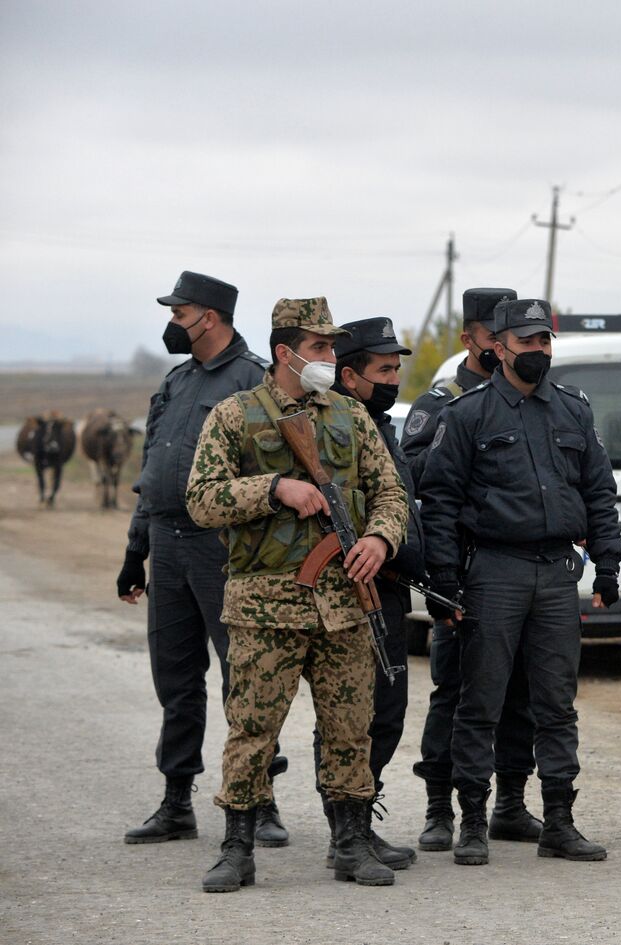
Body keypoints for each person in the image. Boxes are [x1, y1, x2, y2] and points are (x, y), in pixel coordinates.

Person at [186, 297, 408, 892]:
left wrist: (381, 541)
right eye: (320, 348)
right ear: (286, 352)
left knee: (350, 727)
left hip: (345, 602)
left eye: (333, 348)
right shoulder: (235, 416)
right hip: (265, 606)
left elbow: (391, 492)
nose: (331, 359)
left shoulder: (351, 417)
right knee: (253, 727)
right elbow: (202, 499)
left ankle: (351, 841)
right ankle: (237, 846)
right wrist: (274, 488)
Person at [418, 297, 621, 866]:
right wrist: (445, 584)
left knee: (556, 704)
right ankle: (473, 823)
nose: (538, 352)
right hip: (493, 574)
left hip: (557, 573)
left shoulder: (573, 412)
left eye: (544, 342)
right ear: (498, 349)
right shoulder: (467, 416)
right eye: (526, 342)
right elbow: (439, 504)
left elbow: (599, 492)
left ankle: (559, 821)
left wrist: (608, 563)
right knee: (479, 702)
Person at [118, 271, 288, 847]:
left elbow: (278, 475)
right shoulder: (176, 382)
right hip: (166, 544)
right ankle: (176, 803)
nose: (171, 322)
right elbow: (152, 472)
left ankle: (260, 804)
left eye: (178, 312)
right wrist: (134, 549)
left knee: (249, 678)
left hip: (228, 550)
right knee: (175, 676)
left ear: (208, 317)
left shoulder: (256, 382)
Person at [400, 288, 542, 854]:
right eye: (494, 337)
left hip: (515, 572)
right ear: (472, 340)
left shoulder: (536, 397)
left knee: (522, 692)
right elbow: (414, 480)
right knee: (455, 692)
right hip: (460, 571)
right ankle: (440, 809)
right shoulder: (442, 404)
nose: (506, 349)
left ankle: (510, 802)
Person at [302, 315, 424, 872]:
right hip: (348, 592)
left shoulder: (381, 425)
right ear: (349, 376)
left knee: (388, 712)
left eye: (397, 367)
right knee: (350, 716)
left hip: (391, 591)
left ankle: (358, 818)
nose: (394, 377)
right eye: (384, 369)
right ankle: (344, 831)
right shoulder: (331, 427)